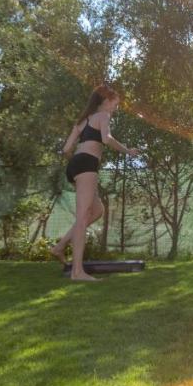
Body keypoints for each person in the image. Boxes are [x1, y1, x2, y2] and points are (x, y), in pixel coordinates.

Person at [49, 84, 140, 281]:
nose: (115, 108)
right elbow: (106, 139)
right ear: (106, 102)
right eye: (115, 104)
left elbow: (66, 149)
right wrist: (128, 151)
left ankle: (60, 246)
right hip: (86, 165)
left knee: (97, 211)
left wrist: (77, 161)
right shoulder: (103, 116)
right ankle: (77, 272)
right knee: (82, 219)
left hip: (75, 165)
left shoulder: (82, 121)